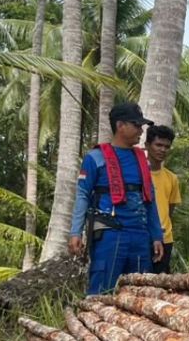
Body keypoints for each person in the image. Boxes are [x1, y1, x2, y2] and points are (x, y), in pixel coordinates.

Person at [69, 102, 164, 294]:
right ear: (120, 125)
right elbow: (83, 195)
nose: (141, 130)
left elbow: (150, 200)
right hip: (109, 235)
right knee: (102, 292)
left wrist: (156, 236)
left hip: (140, 236)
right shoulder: (95, 157)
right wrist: (75, 232)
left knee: (140, 294)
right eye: (137, 125)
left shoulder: (142, 161)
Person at [146, 125, 181, 273]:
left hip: (165, 239)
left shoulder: (172, 178)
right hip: (142, 237)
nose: (162, 150)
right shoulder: (137, 175)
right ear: (147, 145)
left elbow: (170, 211)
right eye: (158, 145)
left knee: (160, 281)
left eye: (167, 146)